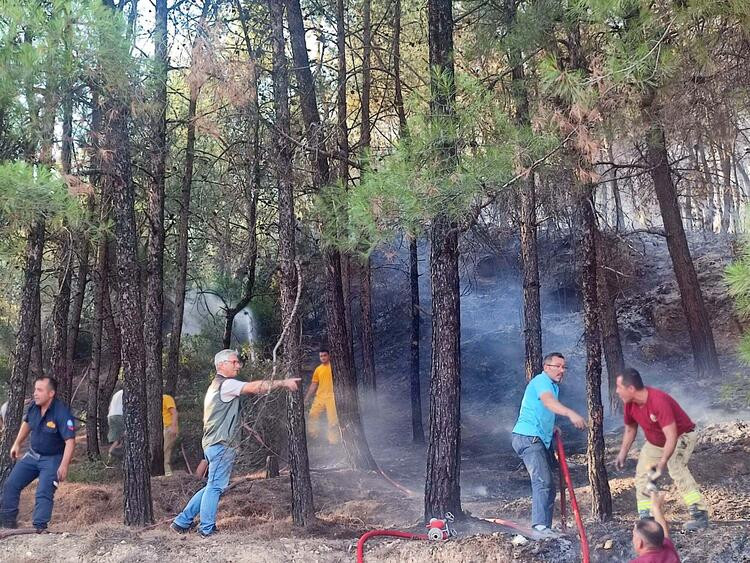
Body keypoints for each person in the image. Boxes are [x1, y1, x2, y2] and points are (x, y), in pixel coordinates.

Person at [171, 349, 299, 537]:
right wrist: (283, 383)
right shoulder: (227, 384)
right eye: (234, 362)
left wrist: (242, 425)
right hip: (222, 445)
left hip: (212, 443)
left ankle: (181, 522)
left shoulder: (215, 386)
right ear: (222, 365)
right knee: (215, 487)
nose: (238, 365)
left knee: (211, 486)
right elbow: (255, 388)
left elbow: (222, 414)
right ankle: (206, 529)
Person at [614, 367, 708, 531]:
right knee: (644, 475)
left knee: (676, 468)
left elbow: (671, 436)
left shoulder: (658, 401)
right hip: (655, 443)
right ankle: (647, 518)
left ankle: (699, 514)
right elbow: (630, 429)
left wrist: (663, 462)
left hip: (681, 437)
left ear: (630, 389)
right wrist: (623, 452)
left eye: (619, 387)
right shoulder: (630, 404)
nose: (616, 391)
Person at [511, 352, 586, 534]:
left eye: (564, 367)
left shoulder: (553, 386)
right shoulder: (541, 381)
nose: (562, 370)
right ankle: (539, 527)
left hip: (539, 438)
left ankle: (545, 528)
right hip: (528, 438)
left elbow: (541, 409)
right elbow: (548, 403)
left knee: (549, 485)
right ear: (547, 367)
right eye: (558, 366)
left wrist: (552, 427)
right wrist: (570, 413)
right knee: (542, 482)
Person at [0, 376, 76, 531]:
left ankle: (39, 528)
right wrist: (17, 443)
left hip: (52, 459)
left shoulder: (61, 413)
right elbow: (27, 423)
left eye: (40, 390)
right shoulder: (34, 407)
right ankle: (7, 523)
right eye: (35, 389)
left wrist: (64, 466)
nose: (35, 393)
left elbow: (70, 442)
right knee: (11, 484)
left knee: (44, 491)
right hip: (32, 455)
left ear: (51, 393)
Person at [630, 490, 681, 562]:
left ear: (639, 542)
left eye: (634, 536)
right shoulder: (669, 550)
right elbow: (665, 533)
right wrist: (656, 508)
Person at [304, 349, 339, 444]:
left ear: (329, 356)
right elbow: (314, 385)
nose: (323, 358)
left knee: (332, 420)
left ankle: (334, 441)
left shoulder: (334, 367)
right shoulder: (318, 369)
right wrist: (307, 398)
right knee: (312, 415)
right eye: (321, 356)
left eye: (325, 355)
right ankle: (313, 436)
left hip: (332, 396)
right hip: (320, 397)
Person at [162, 394, 178, 476]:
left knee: (165, 450)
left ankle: (167, 472)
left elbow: (174, 413)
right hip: (162, 428)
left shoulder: (166, 398)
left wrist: (173, 427)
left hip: (168, 427)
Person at [107, 388, 124, 460]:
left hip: (111, 415)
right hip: (121, 415)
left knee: (117, 439)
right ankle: (121, 456)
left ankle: (109, 457)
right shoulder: (129, 393)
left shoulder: (117, 393)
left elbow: (109, 407)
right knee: (125, 436)